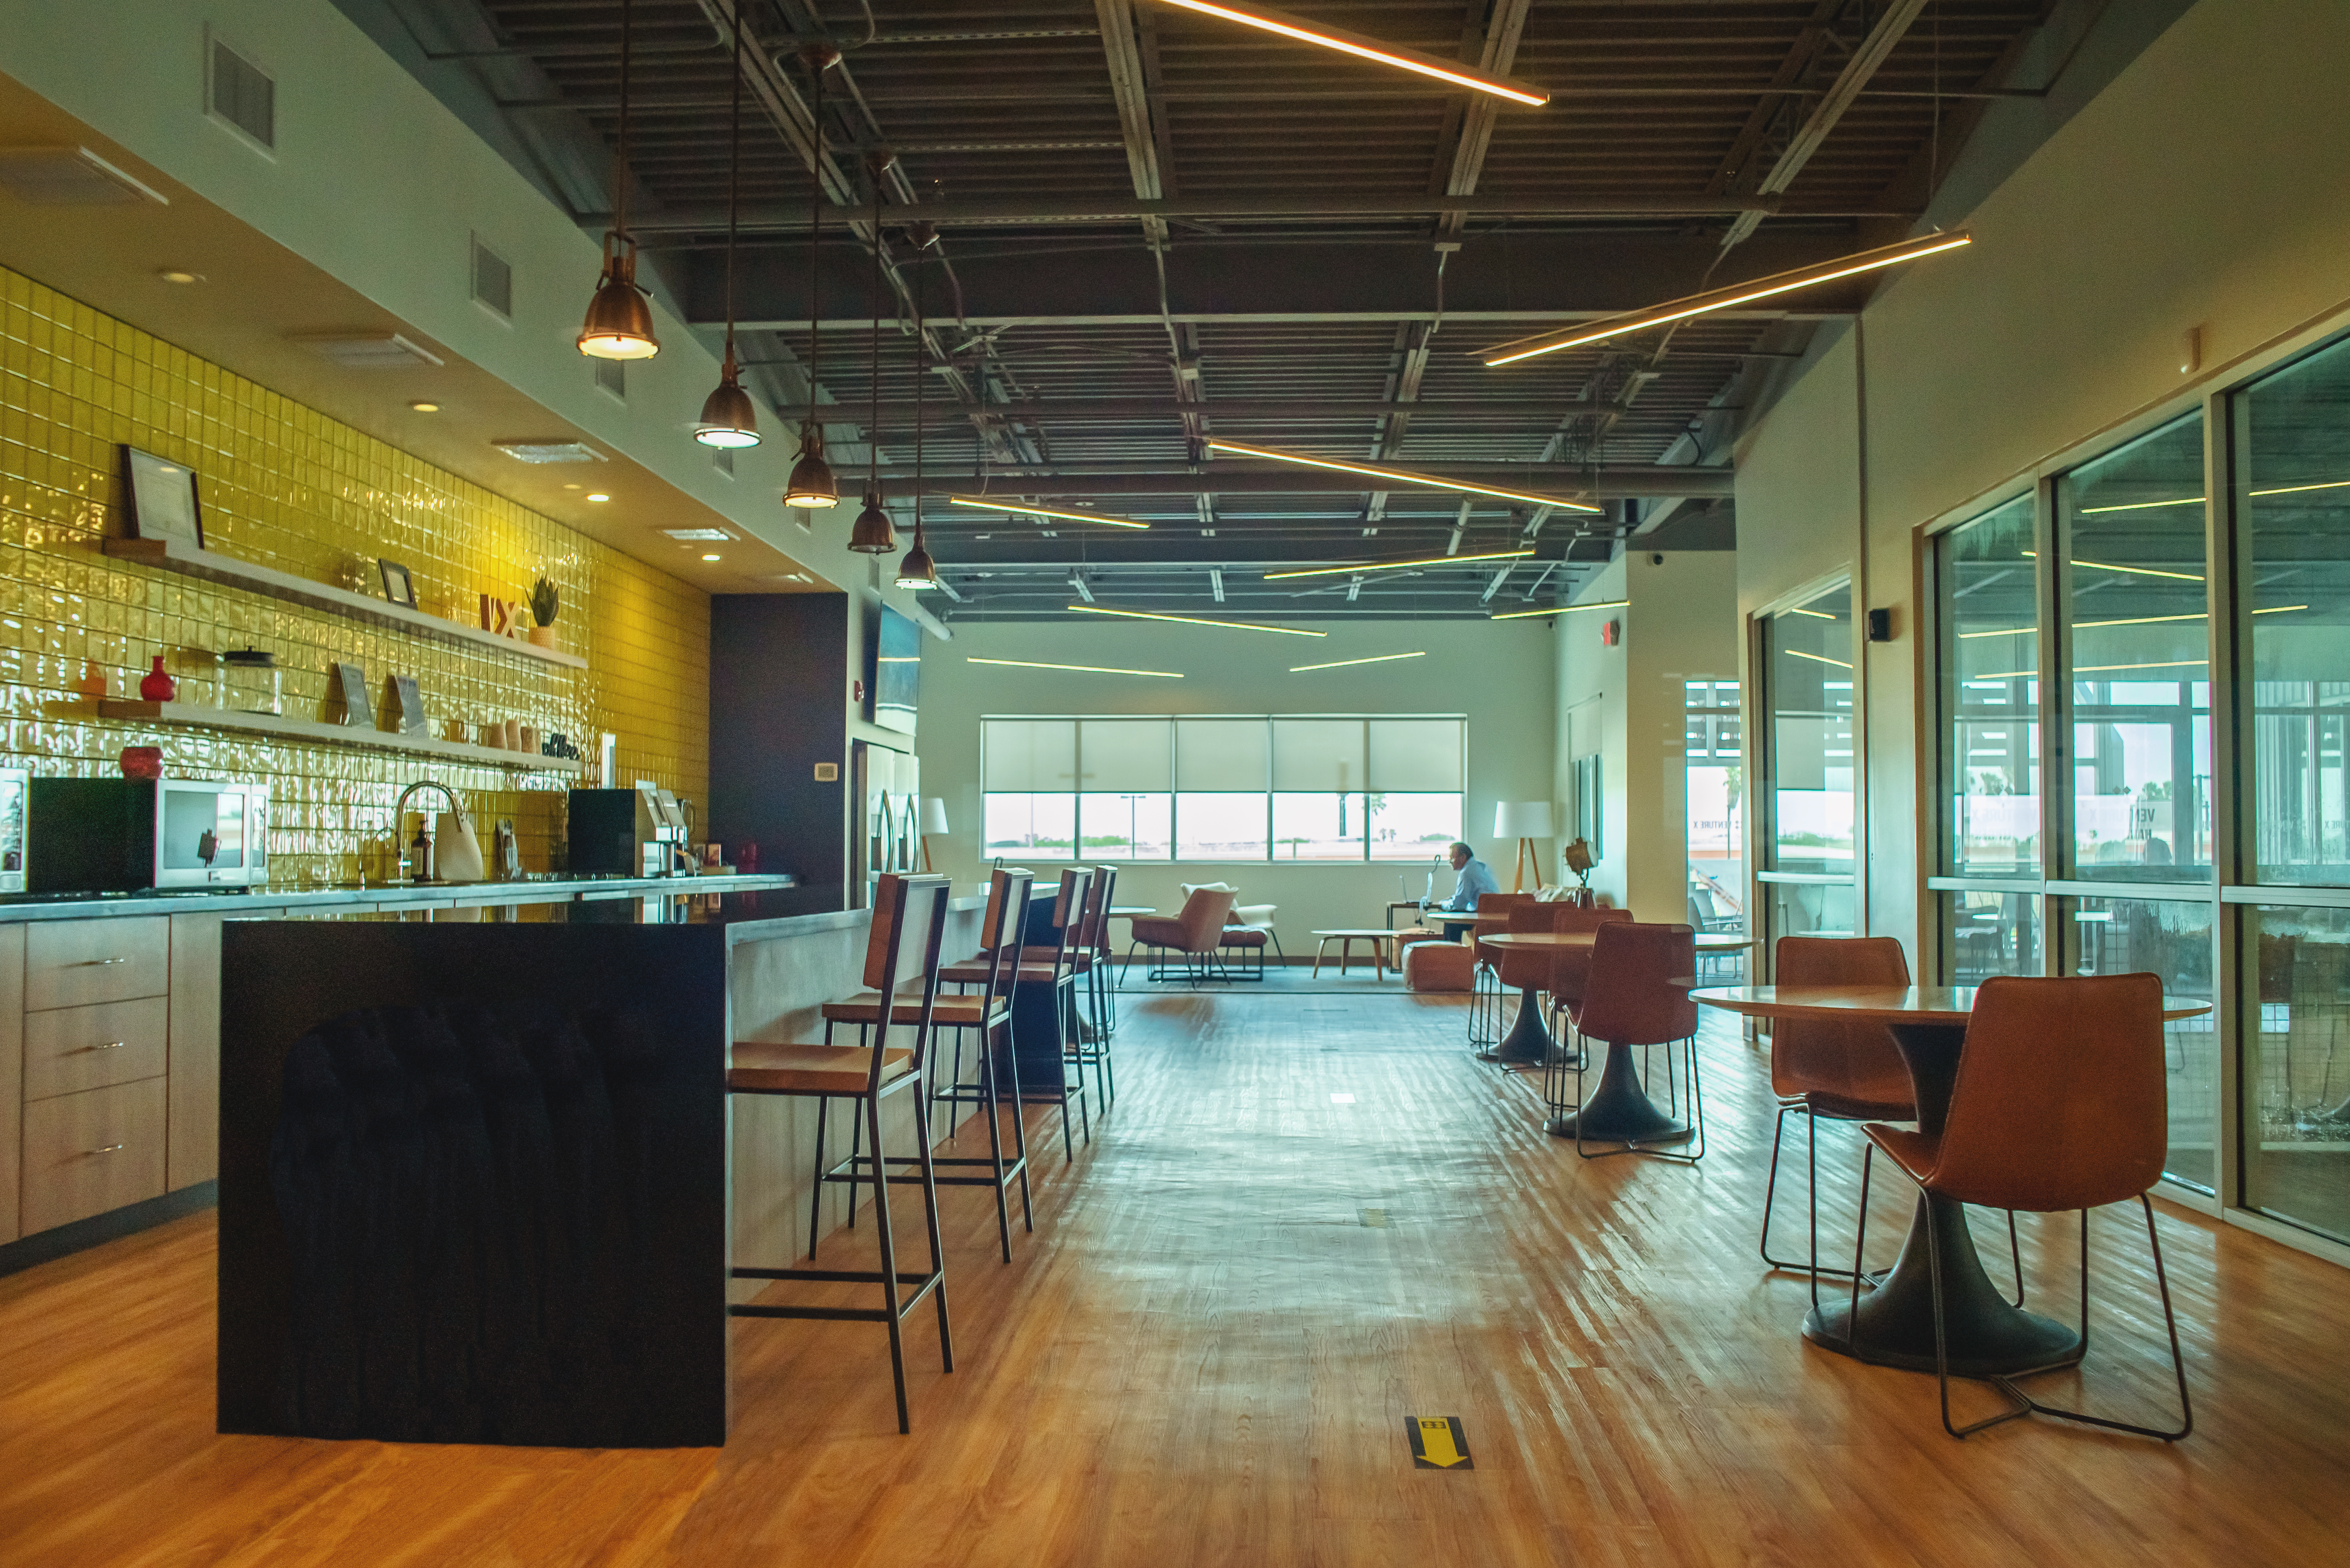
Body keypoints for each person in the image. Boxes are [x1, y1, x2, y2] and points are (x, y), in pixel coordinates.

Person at [1436, 841, 1498, 913]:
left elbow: (1459, 905)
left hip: (1481, 916)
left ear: (1463, 857)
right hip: (1495, 913)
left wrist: (1443, 904)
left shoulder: (1466, 872)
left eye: (1452, 858)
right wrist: (1453, 898)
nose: (1450, 862)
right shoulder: (1480, 866)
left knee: (1452, 917)